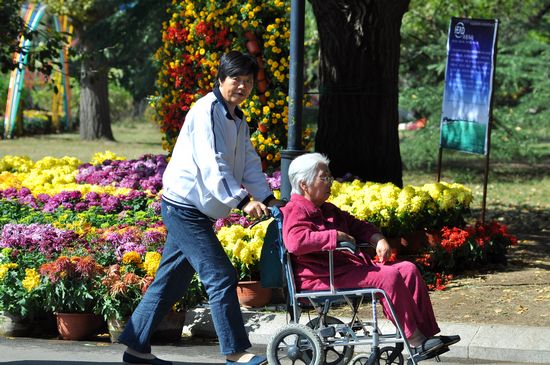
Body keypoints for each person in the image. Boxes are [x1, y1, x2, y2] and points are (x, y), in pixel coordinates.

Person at [118, 51, 283, 365]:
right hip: (184, 208)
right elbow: (213, 165)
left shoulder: (236, 117)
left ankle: (136, 350)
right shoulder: (206, 111)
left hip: (197, 212)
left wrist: (269, 198)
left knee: (171, 282)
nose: (243, 86)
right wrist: (244, 201)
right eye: (236, 79)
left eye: (248, 81)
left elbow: (248, 162)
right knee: (221, 275)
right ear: (221, 79)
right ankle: (235, 353)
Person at [280, 153, 460, 359]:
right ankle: (415, 340)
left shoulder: (328, 209)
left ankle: (427, 336)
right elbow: (295, 242)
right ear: (304, 184)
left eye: (330, 177)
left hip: (345, 270)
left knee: (408, 269)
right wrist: (334, 236)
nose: (330, 182)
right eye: (324, 177)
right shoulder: (296, 209)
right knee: (388, 277)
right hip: (322, 276)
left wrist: (378, 239)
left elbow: (359, 226)